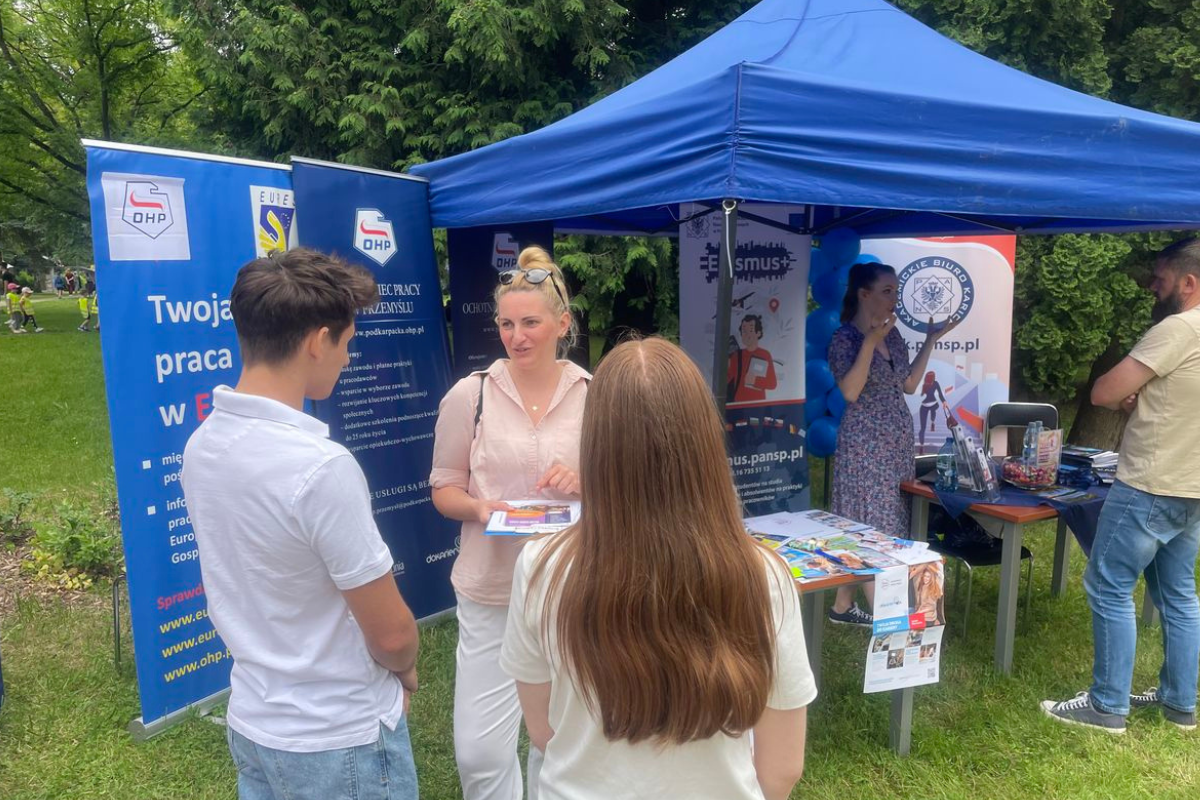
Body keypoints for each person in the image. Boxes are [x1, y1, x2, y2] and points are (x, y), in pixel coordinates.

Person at [500, 338, 816, 800]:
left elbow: (544, 731)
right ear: (706, 443)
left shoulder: (540, 568)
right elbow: (783, 767)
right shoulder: (764, 575)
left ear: (596, 446)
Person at [182, 248, 420, 799]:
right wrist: (405, 668)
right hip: (339, 736)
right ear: (318, 340)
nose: (346, 359)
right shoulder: (320, 468)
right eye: (347, 343)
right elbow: (390, 632)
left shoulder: (202, 446)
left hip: (256, 719)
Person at [430, 245, 587, 800]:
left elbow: (626, 490)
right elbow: (443, 488)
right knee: (480, 749)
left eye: (531, 323)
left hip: (571, 588)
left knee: (559, 738)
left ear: (562, 323)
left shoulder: (596, 396)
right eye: (506, 323)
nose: (517, 336)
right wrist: (479, 508)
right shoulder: (469, 395)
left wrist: (587, 479)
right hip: (491, 588)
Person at [1043, 238, 1200, 734]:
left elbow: (1103, 391)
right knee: (1179, 594)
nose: (1153, 287)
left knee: (1108, 585)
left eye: (1161, 279)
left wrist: (1128, 397)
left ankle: (1107, 706)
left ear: (1189, 282)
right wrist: (1149, 402)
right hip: (1192, 486)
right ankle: (1181, 704)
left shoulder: (1177, 327)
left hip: (1150, 483)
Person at [826, 262, 958, 626]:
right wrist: (870, 342)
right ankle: (893, 623)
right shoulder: (845, 339)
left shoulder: (894, 337)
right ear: (863, 294)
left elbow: (910, 384)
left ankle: (840, 608)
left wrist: (931, 339)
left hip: (895, 445)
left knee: (874, 522)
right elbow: (851, 391)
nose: (894, 299)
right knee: (872, 527)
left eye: (895, 291)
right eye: (887, 291)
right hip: (865, 444)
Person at [727, 314, 777, 403]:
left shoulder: (765, 354)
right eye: (744, 331)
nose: (747, 334)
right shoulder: (736, 355)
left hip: (758, 405)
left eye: (750, 330)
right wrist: (726, 366)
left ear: (758, 333)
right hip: (738, 404)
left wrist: (755, 380)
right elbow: (727, 380)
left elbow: (772, 383)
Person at [916, 370, 948, 452]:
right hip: (931, 404)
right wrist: (944, 402)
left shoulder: (926, 385)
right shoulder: (934, 383)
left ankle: (921, 445)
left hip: (926, 405)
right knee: (933, 409)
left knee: (922, 428)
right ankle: (932, 422)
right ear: (933, 378)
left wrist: (944, 402)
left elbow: (922, 394)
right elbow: (940, 394)